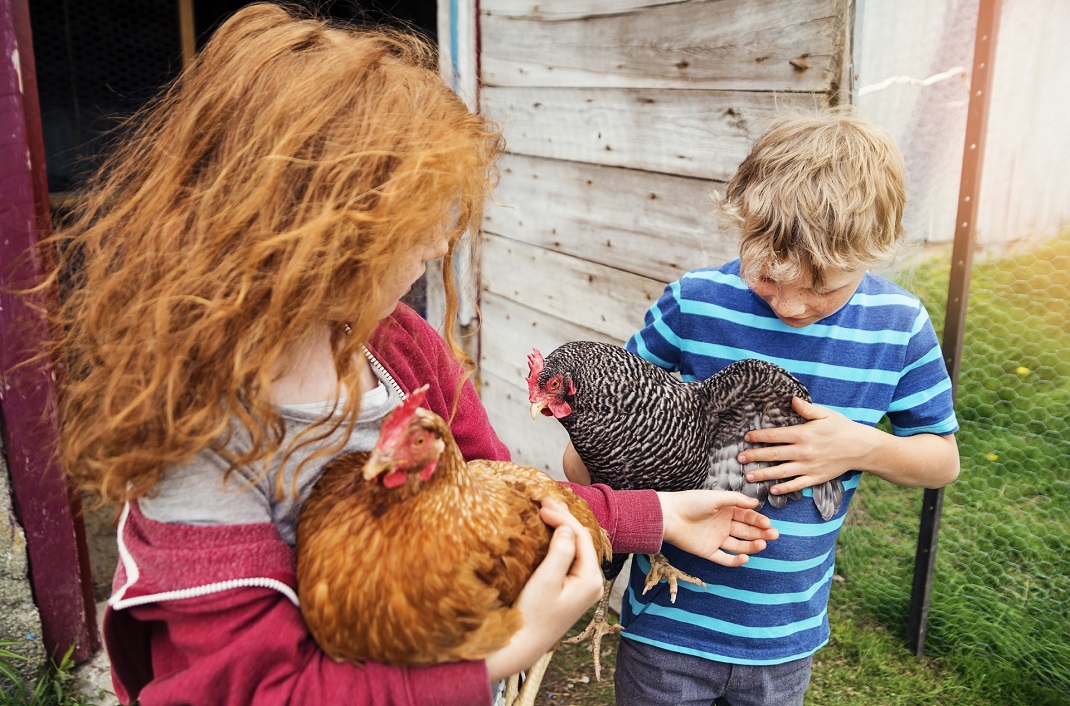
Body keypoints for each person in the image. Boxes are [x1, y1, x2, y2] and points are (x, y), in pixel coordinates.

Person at [43, 5, 778, 705]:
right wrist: (509, 651)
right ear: (324, 238)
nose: (434, 245)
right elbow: (249, 690)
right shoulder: (204, 442)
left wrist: (651, 516)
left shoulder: (395, 345)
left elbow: (505, 499)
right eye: (418, 223)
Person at [563, 111, 961, 706]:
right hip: (669, 618)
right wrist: (590, 452)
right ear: (744, 228)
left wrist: (863, 445)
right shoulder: (696, 304)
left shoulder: (898, 328)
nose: (793, 305)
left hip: (784, 633)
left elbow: (942, 460)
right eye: (769, 278)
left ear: (873, 251)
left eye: (823, 286)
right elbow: (601, 428)